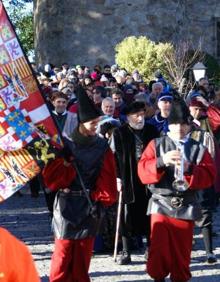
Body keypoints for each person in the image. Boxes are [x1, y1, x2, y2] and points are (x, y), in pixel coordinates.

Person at [42, 86, 117, 282]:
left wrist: (100, 200)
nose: (95, 126)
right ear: (81, 123)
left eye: (97, 122)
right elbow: (50, 180)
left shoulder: (102, 147)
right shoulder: (65, 146)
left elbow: (107, 176)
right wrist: (64, 163)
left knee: (84, 253)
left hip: (89, 205)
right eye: (92, 123)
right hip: (67, 203)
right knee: (63, 251)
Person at [138, 99, 216, 282]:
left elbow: (209, 176)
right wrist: (160, 161)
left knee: (182, 249)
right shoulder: (156, 144)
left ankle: (180, 277)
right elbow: (142, 170)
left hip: (186, 202)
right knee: (159, 247)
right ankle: (158, 276)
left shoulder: (198, 148)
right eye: (174, 124)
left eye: (182, 124)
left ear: (189, 125)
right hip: (161, 201)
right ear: (168, 125)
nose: (179, 128)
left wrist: (190, 168)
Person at [110, 101, 159, 265]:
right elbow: (113, 158)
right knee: (125, 215)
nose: (140, 118)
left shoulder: (152, 130)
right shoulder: (119, 132)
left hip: (148, 178)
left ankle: (151, 247)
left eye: (142, 114)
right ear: (128, 117)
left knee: (150, 213)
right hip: (128, 178)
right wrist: (117, 177)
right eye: (136, 115)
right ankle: (125, 250)